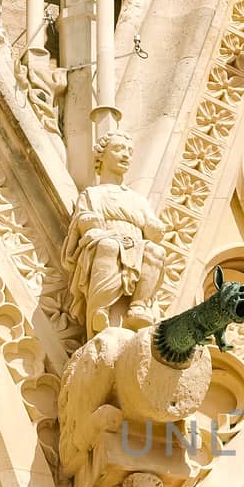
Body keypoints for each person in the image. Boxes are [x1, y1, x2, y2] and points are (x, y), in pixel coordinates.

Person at [63, 133, 167, 336]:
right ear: (101, 156)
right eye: (118, 149)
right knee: (109, 246)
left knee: (156, 252)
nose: (126, 155)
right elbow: (85, 219)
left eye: (129, 151)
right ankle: (100, 309)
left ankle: (139, 305)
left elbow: (151, 225)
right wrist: (96, 226)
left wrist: (155, 228)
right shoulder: (93, 194)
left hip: (136, 243)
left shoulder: (137, 199)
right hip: (106, 238)